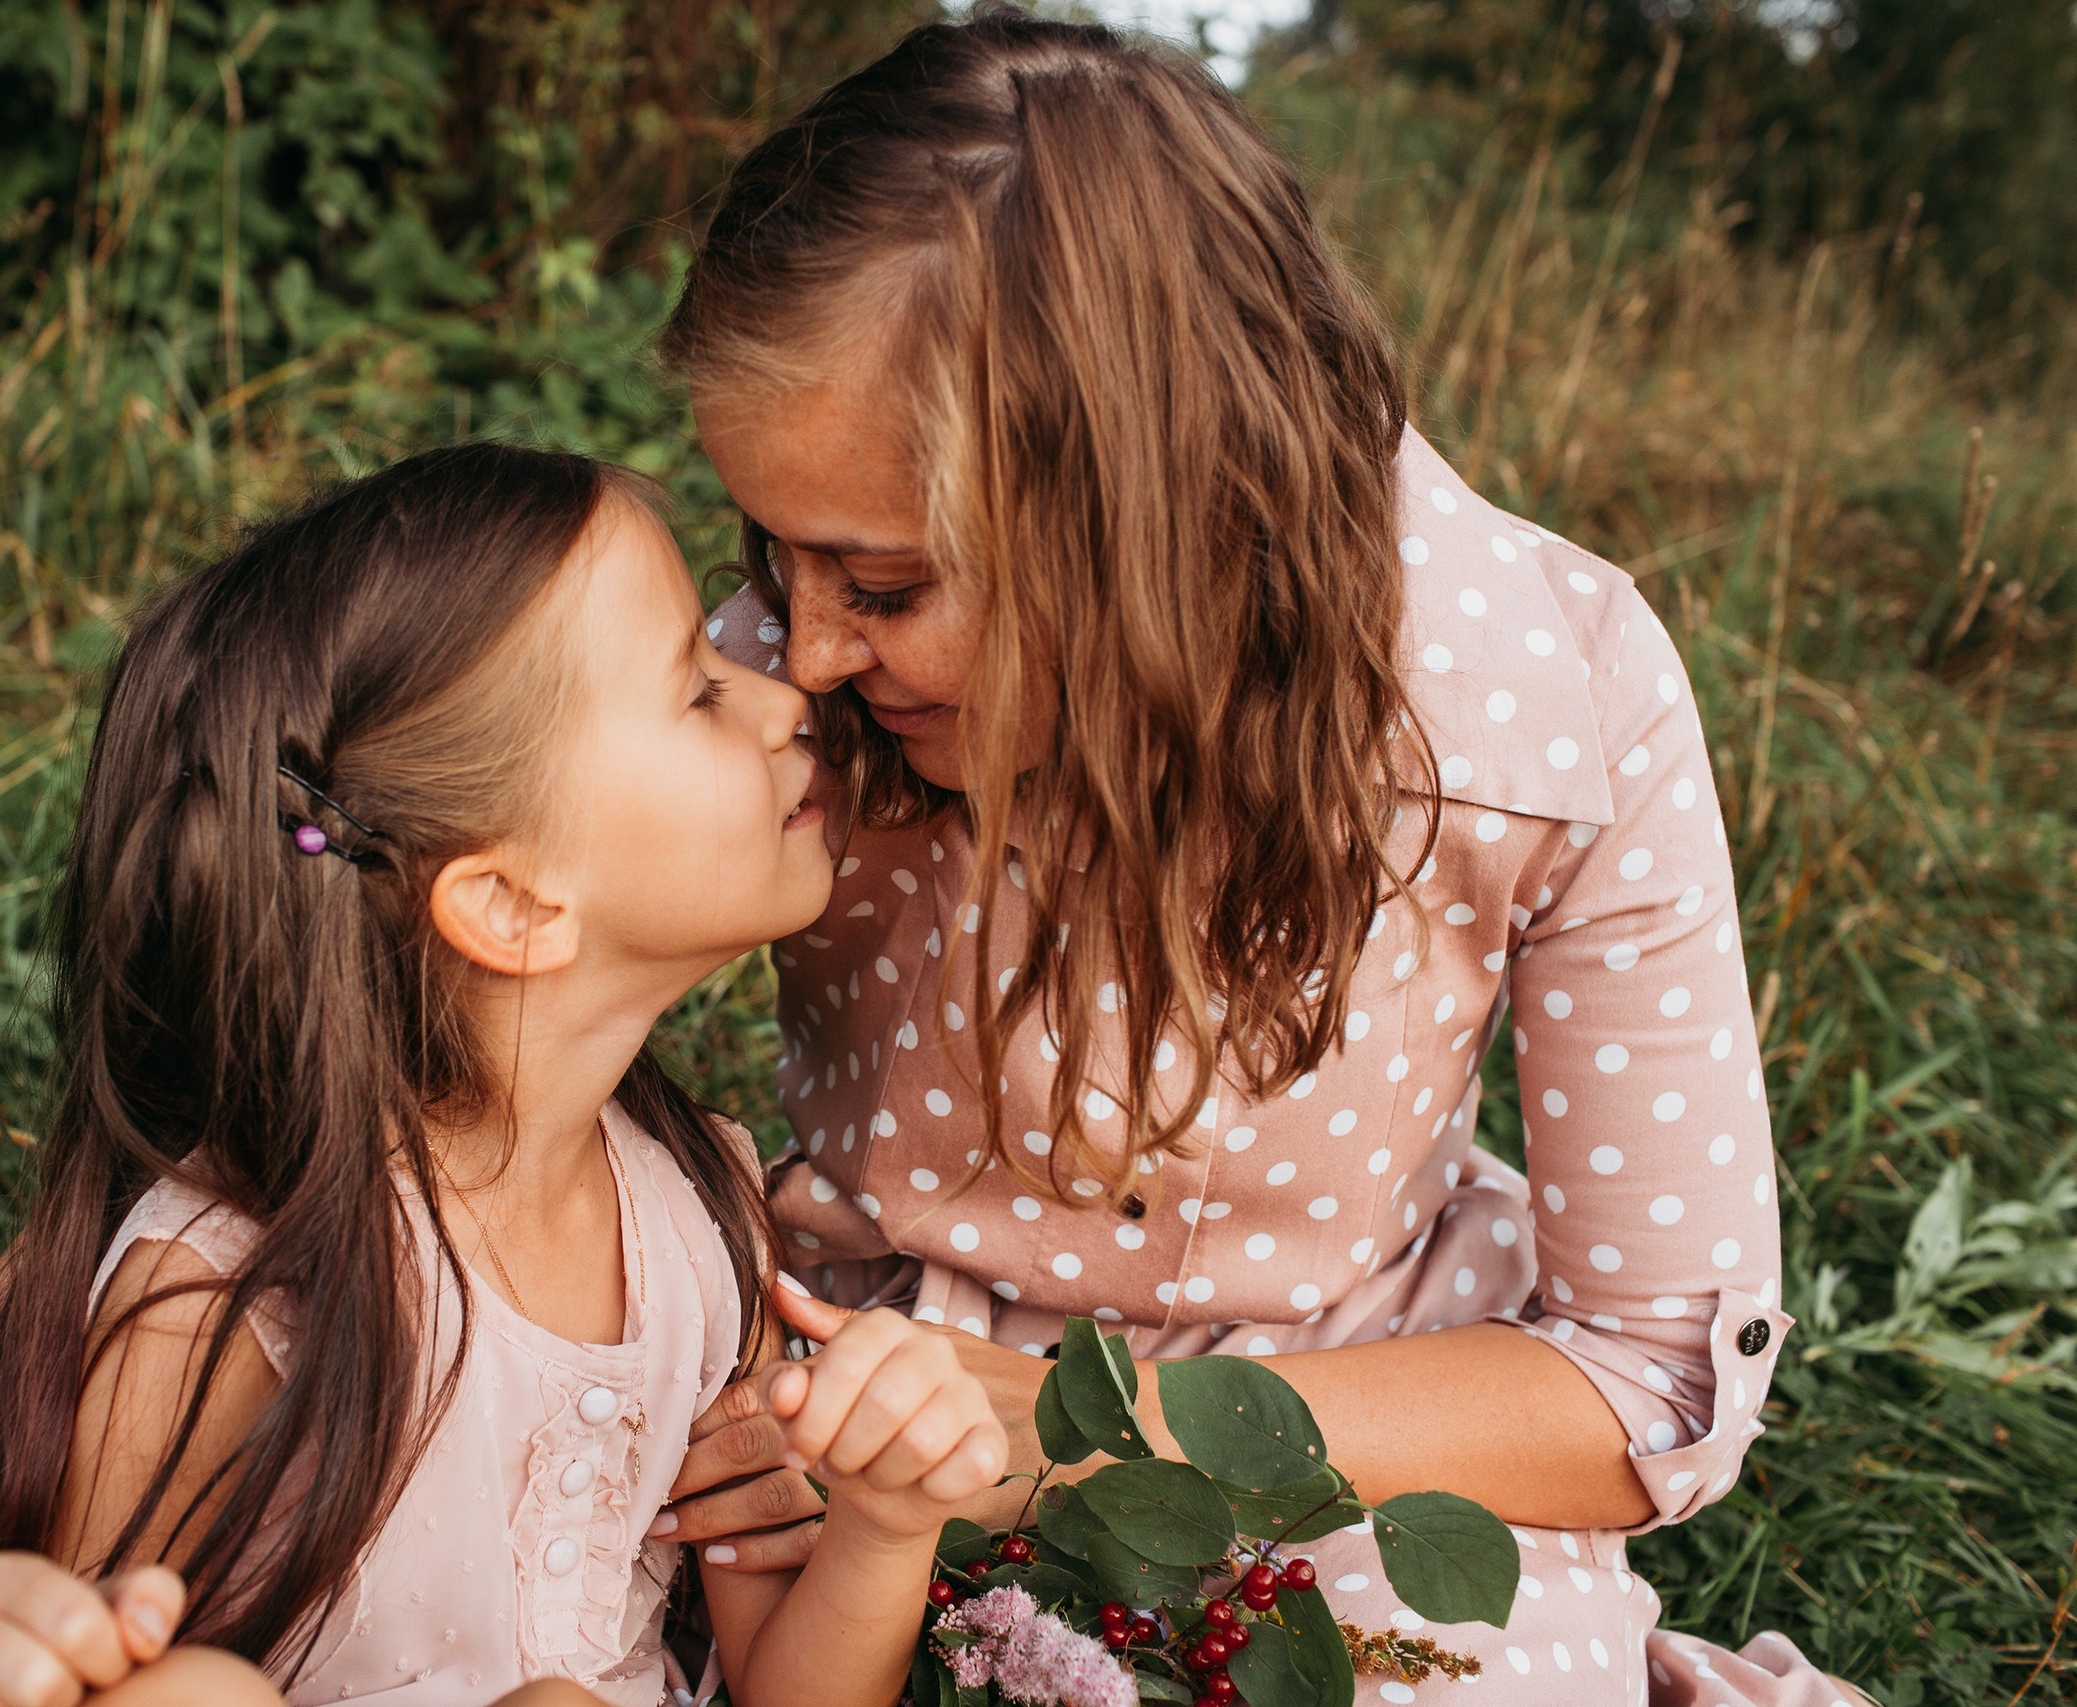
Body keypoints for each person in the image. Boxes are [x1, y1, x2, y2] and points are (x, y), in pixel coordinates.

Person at [652, 11, 1862, 1705]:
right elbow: (490, 1006)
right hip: (864, 1396)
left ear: (1147, 513)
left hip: (1358, 1436)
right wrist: (693, 1290)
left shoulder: (1543, 711)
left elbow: (1654, 1375)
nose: (815, 653)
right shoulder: (786, 681)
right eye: (774, 558)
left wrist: (1092, 1446)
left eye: (888, 583)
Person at [0, 444, 1010, 1706]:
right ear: (513, 905)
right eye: (695, 691)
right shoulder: (230, 1298)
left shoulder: (698, 1213)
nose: (784, 691)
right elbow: (77, 1668)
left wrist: (884, 1528)